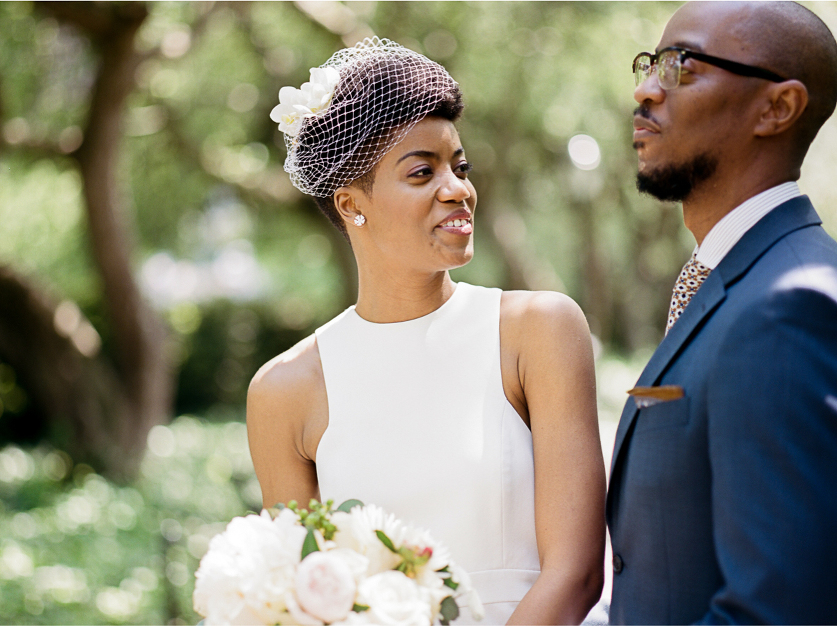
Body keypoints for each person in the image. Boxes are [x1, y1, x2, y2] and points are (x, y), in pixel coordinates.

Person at [247, 38, 606, 625]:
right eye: (423, 172)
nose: (458, 188)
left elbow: (576, 572)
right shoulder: (285, 391)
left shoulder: (537, 331)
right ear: (350, 205)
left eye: (460, 167)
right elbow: (302, 603)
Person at [607, 2, 837, 624]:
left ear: (777, 108)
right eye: (650, 63)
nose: (645, 89)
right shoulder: (727, 281)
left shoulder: (792, 304)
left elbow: (780, 608)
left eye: (682, 65)